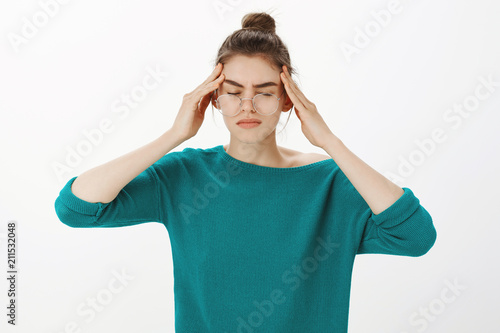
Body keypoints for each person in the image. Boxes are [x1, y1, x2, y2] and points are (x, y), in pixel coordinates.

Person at [54, 11, 437, 333]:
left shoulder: (331, 183)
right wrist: (174, 135)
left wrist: (329, 141)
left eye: (265, 92)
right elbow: (76, 208)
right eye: (233, 91)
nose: (247, 105)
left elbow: (415, 236)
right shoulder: (185, 176)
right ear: (213, 98)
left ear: (288, 100)